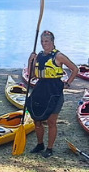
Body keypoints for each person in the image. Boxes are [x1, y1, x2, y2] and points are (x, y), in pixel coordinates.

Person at [25, 30, 80, 158]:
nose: (44, 44)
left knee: (51, 121)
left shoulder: (59, 56)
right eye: (42, 42)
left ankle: (49, 148)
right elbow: (31, 75)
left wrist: (68, 83)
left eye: (47, 41)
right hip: (40, 88)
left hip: (54, 89)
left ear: (52, 42)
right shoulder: (38, 55)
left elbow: (75, 69)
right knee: (36, 119)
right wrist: (30, 61)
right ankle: (40, 144)